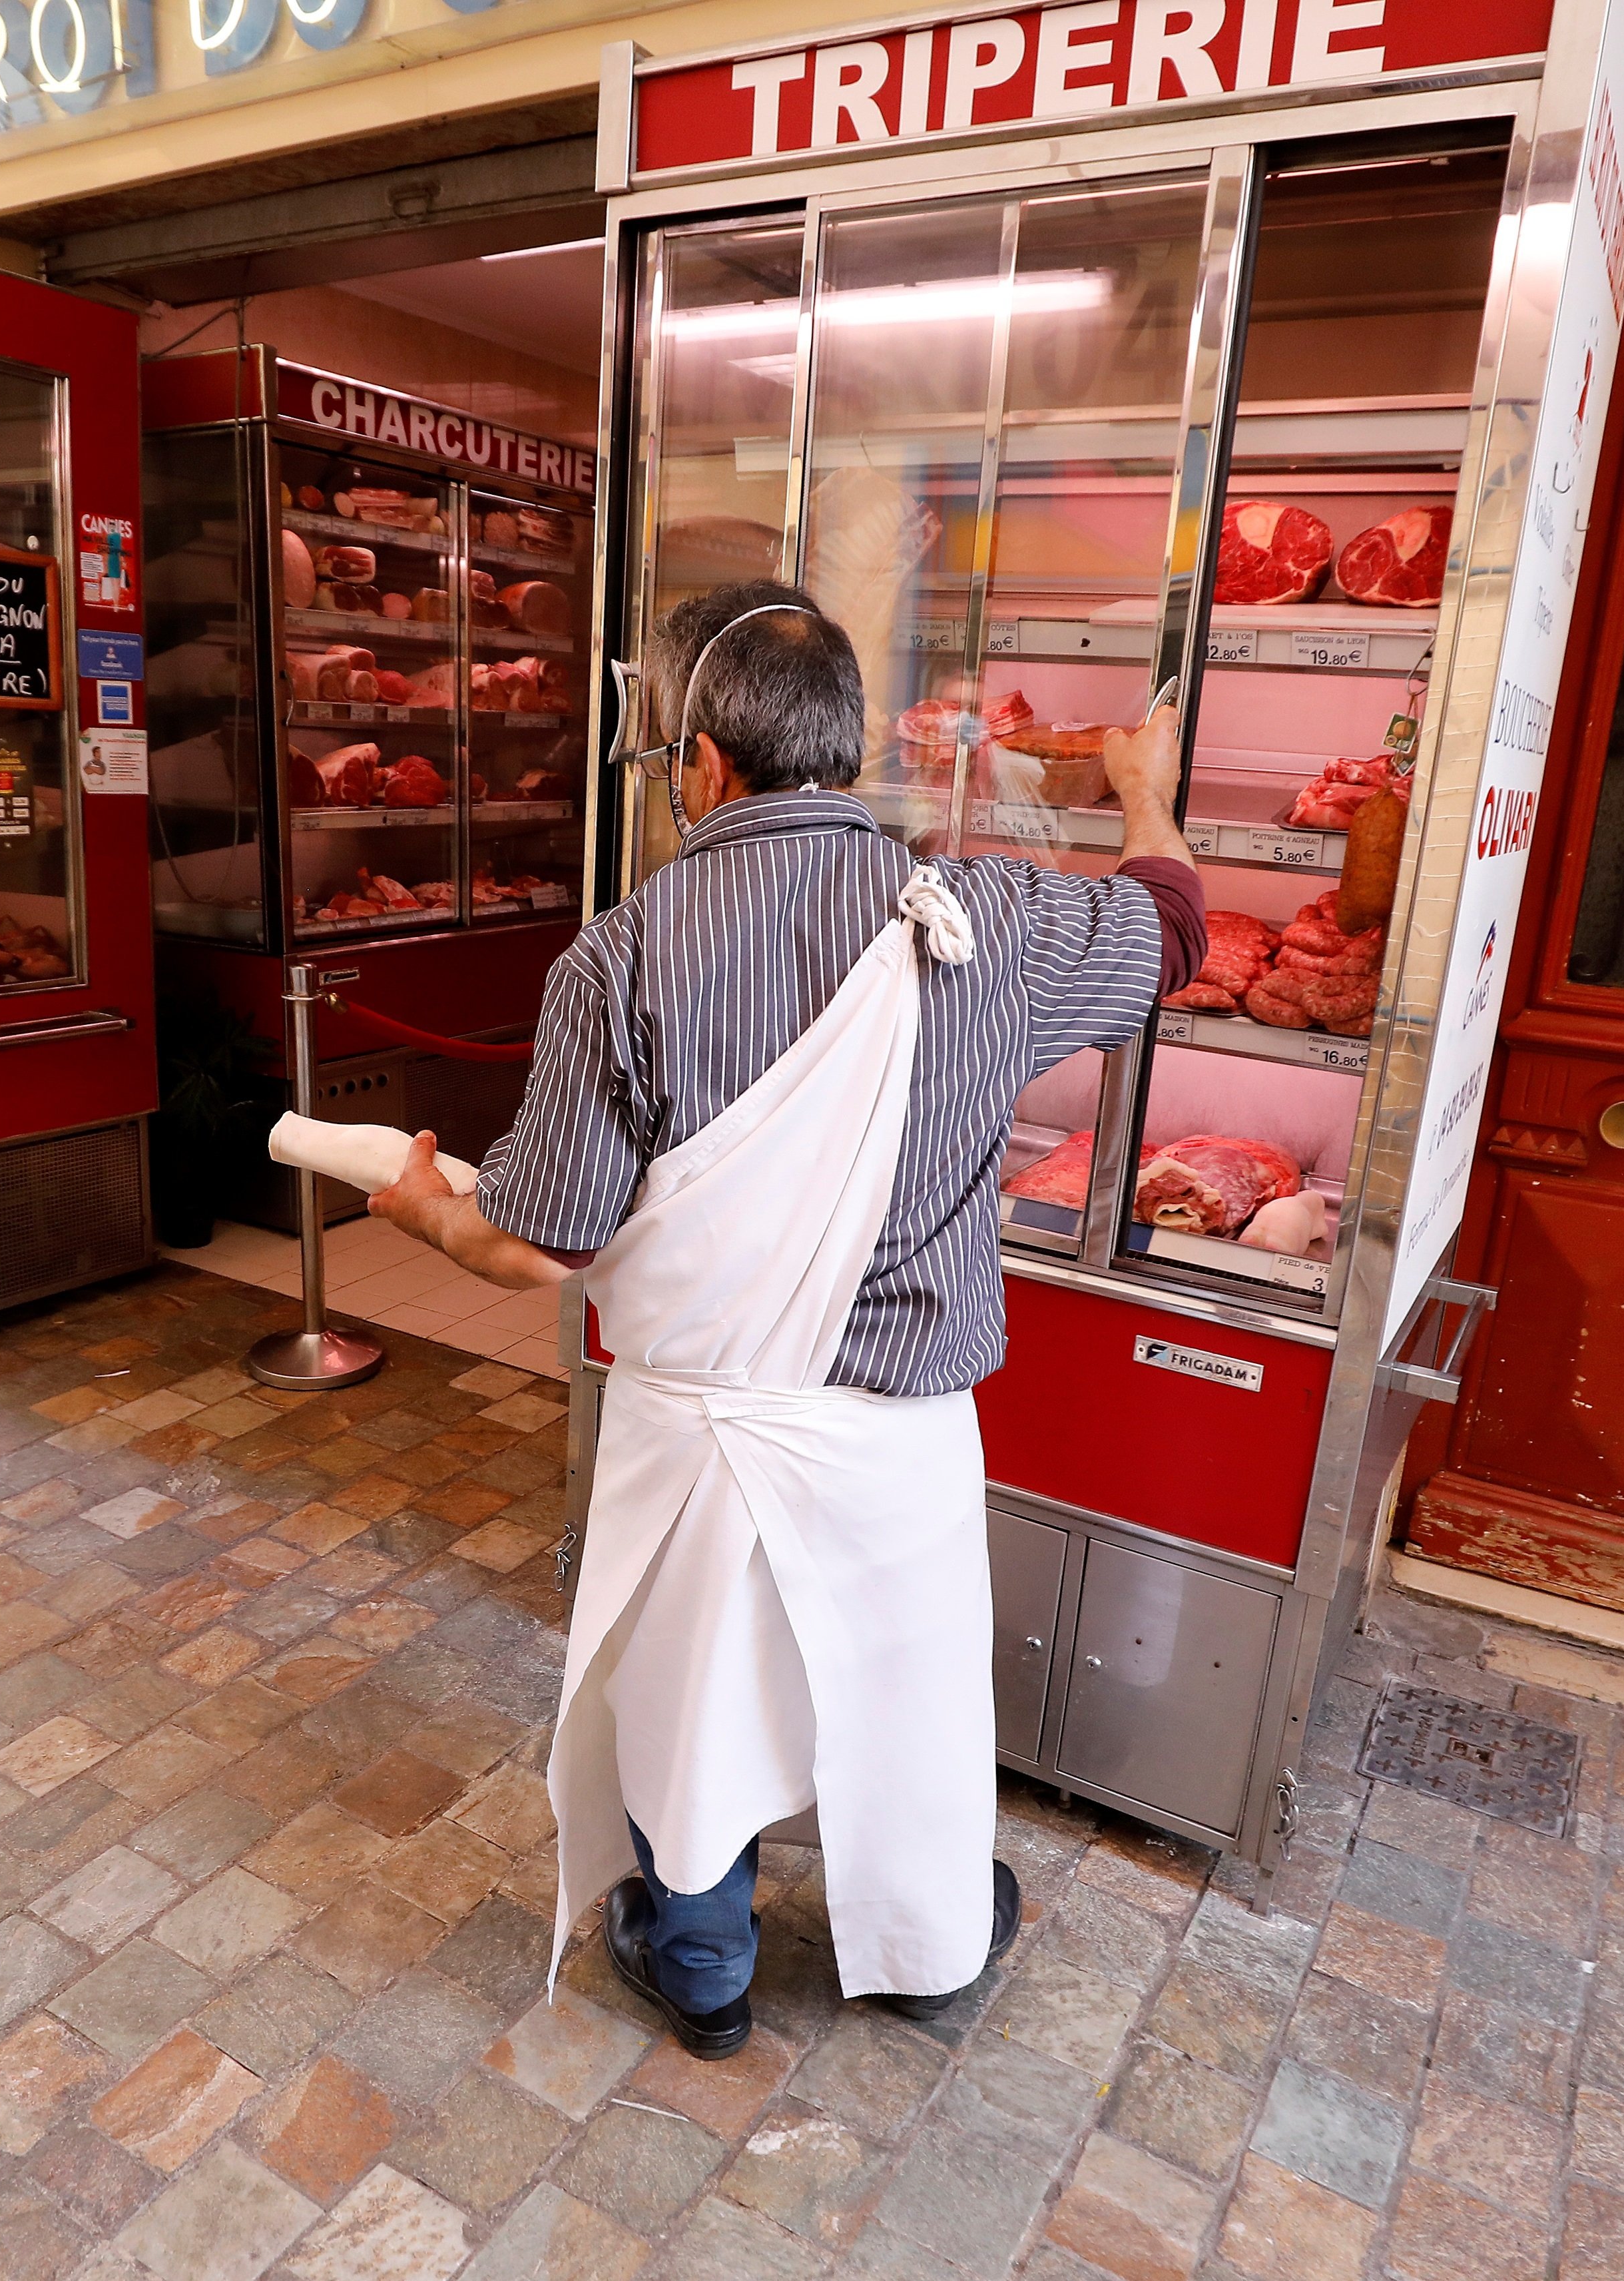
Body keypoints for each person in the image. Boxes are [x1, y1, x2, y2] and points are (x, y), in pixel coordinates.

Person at [367, 582, 1205, 2054]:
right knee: (912, 1695)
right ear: (854, 748)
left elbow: (536, 1246)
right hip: (899, 1435)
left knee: (692, 1700)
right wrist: (1138, 790)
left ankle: (701, 1961)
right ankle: (932, 1948)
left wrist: (425, 1209)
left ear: (699, 763)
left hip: (695, 1431)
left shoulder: (615, 959)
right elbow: (1175, 926)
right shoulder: (984, 921)